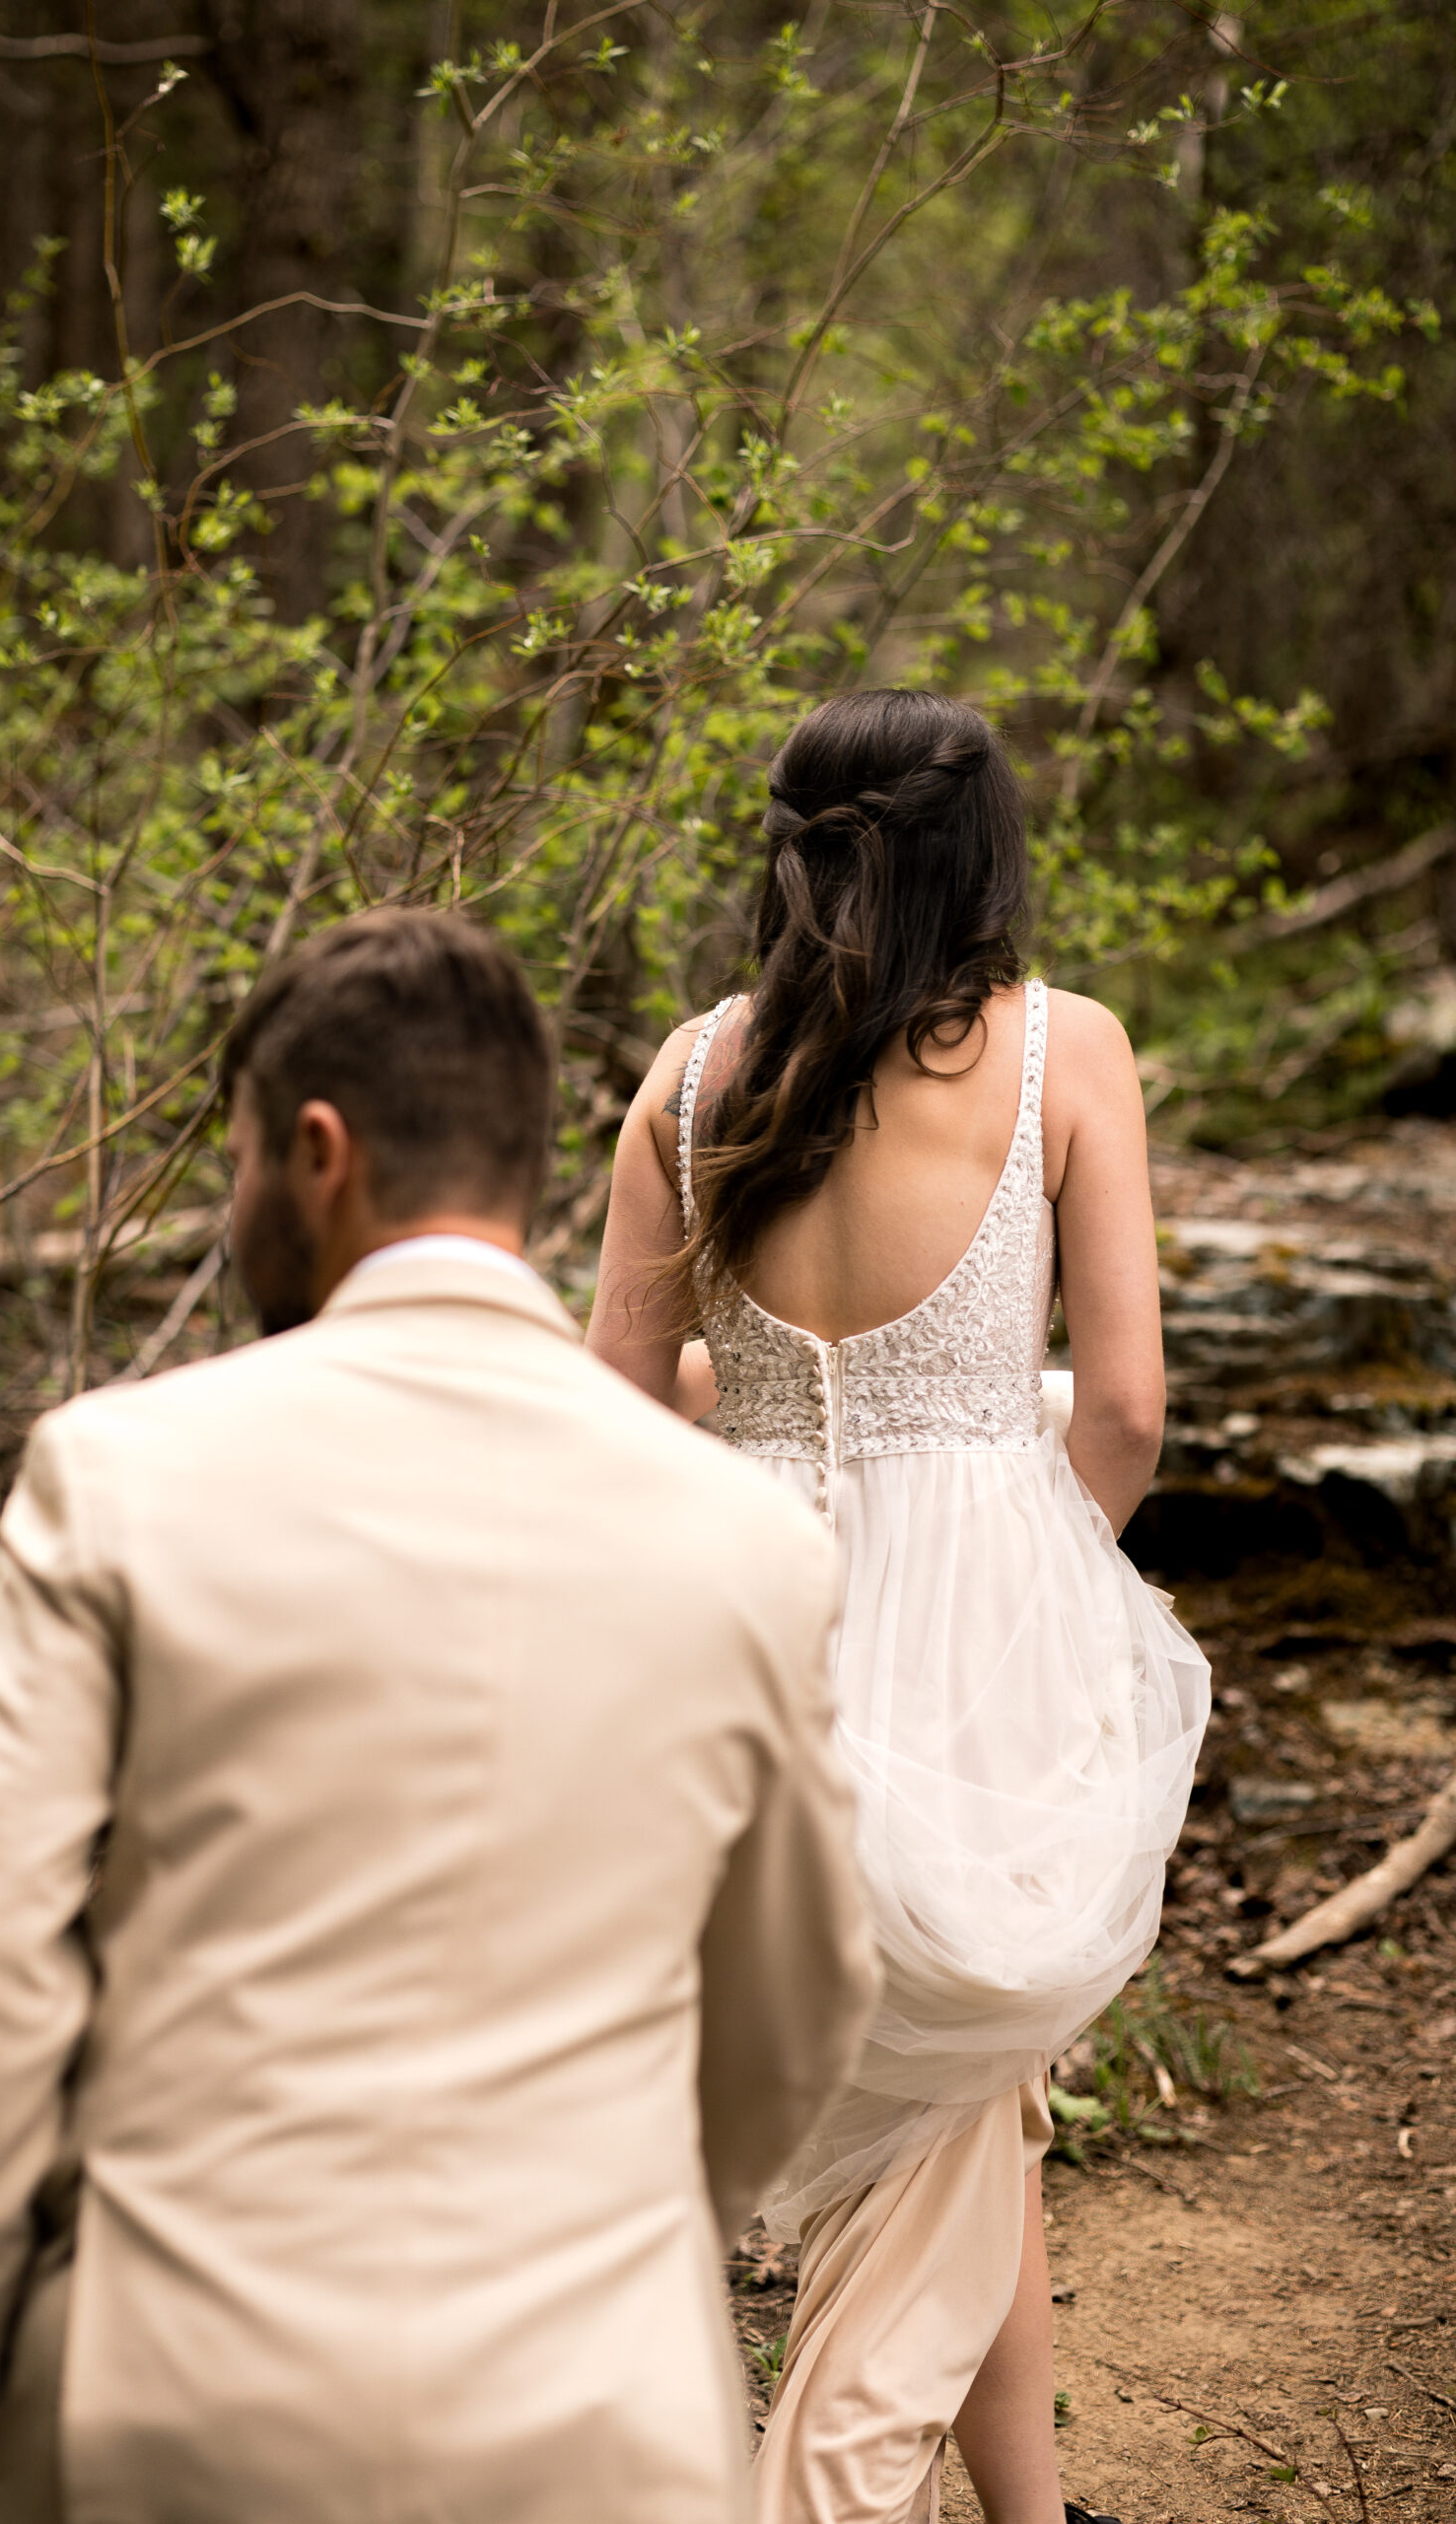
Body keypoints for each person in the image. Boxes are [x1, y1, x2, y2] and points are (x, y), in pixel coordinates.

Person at [0, 908, 878, 2524]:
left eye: (244, 1156)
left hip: (176, 2400)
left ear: (319, 1151)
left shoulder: (120, 1477)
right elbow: (799, 1996)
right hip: (600, 2423)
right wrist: (627, 2257)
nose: (239, 1199)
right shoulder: (748, 1542)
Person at [589, 691, 1211, 2524]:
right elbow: (1125, 1409)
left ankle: (1033, 2517)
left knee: (963, 2093)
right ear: (983, 851)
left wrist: (746, 1431)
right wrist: (1050, 1574)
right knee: (957, 2084)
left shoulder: (691, 1080)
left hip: (750, 1621)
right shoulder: (1062, 1053)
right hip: (980, 1618)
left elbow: (604, 1410)